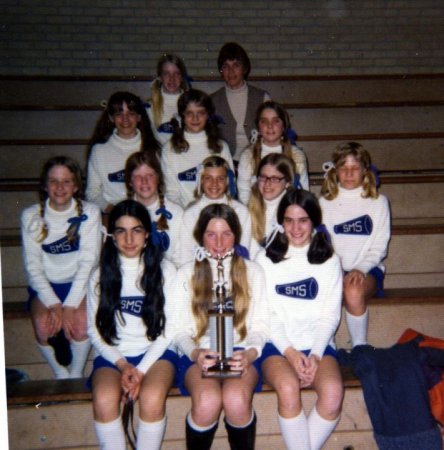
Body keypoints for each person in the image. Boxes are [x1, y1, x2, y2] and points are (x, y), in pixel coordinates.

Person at [174, 203, 269, 450]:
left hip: (242, 352)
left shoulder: (253, 271)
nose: (218, 243)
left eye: (226, 234)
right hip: (199, 353)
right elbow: (179, 330)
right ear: (200, 237)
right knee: (207, 401)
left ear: (236, 236)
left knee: (236, 399)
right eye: (211, 234)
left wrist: (249, 354)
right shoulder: (185, 273)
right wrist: (196, 354)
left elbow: (260, 326)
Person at [256, 189, 343, 450]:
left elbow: (330, 315)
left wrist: (316, 354)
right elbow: (266, 315)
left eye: (303, 220)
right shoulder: (265, 259)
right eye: (289, 220)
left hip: (318, 344)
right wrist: (291, 353)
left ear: (314, 221)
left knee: (333, 394)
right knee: (288, 387)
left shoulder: (330, 260)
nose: (295, 228)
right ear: (280, 222)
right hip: (277, 345)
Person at [87, 200, 178, 450]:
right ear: (112, 236)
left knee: (151, 397)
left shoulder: (165, 270)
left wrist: (140, 369)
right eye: (121, 230)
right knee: (104, 399)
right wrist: (122, 364)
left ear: (147, 234)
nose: (129, 238)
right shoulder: (99, 274)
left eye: (136, 230)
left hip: (157, 354)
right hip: (114, 355)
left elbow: (169, 331)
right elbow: (94, 332)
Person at [21, 156, 101, 379]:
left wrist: (69, 306)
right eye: (53, 181)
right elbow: (33, 267)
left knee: (81, 324)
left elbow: (88, 262)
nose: (60, 187)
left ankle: (74, 375)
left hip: (80, 284)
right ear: (45, 186)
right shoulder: (31, 215)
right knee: (43, 325)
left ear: (76, 186)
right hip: (47, 285)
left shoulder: (90, 212)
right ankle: (60, 374)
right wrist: (55, 305)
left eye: (67, 181)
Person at [319, 142, 391, 348]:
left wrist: (361, 268)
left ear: (365, 171)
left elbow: (379, 247)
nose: (349, 174)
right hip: (335, 269)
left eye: (355, 168)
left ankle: (359, 345)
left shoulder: (378, 202)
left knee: (352, 290)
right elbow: (322, 244)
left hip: (368, 269)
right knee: (324, 287)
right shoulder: (325, 202)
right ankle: (327, 345)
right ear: (335, 171)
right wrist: (335, 270)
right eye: (343, 168)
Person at [86, 91, 160, 215]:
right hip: (111, 214)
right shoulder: (99, 151)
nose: (125, 119)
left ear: (139, 117)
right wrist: (114, 211)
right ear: (111, 118)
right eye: (119, 114)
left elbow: (160, 188)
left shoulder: (152, 149)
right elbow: (92, 193)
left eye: (131, 113)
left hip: (146, 213)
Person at [161, 88, 234, 208]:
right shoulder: (169, 149)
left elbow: (229, 187)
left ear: (208, 115)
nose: (195, 118)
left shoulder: (221, 147)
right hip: (184, 215)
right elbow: (172, 194)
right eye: (189, 113)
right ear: (182, 116)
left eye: (200, 113)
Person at [178, 155, 252, 265]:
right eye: (208, 178)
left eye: (220, 178)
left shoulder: (241, 211)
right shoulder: (190, 214)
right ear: (201, 180)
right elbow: (186, 256)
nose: (214, 184)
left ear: (227, 181)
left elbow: (243, 252)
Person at [237, 100, 309, 205]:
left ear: (284, 125)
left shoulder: (296, 155)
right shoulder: (248, 155)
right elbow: (244, 194)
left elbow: (303, 192)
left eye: (276, 121)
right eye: (264, 121)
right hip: (257, 213)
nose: (270, 126)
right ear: (258, 127)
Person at [211, 42, 270, 163]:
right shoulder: (212, 101)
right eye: (226, 66)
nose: (231, 71)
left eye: (236, 65)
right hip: (225, 163)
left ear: (244, 68)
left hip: (257, 161)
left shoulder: (262, 97)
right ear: (221, 70)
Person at [125, 151, 183, 268]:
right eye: (138, 176)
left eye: (150, 175)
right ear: (130, 182)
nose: (144, 181)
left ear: (158, 178)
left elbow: (179, 260)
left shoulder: (176, 213)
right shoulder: (122, 213)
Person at [249, 152, 298, 259]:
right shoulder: (249, 210)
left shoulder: (295, 210)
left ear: (287, 182)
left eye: (275, 179)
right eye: (263, 177)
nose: (267, 184)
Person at [148, 53, 191, 146]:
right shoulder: (149, 108)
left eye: (176, 73)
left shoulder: (192, 104)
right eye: (166, 73)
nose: (172, 79)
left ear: (182, 77)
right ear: (160, 77)